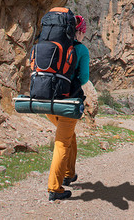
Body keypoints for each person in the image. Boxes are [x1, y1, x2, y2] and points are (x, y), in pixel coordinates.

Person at [46, 14, 90, 201]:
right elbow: (85, 78)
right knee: (62, 142)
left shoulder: (52, 44)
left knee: (69, 135)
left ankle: (69, 173)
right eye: (83, 33)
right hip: (67, 103)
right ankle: (55, 188)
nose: (83, 37)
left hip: (47, 101)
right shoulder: (81, 50)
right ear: (79, 32)